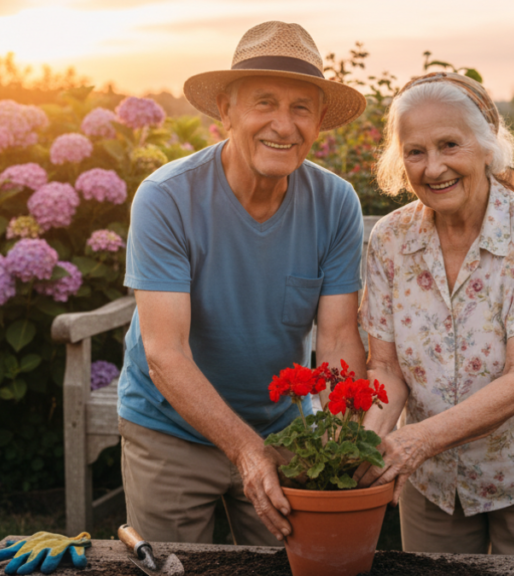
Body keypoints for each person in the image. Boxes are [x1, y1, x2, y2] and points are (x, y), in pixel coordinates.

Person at [117, 21, 369, 546]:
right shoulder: (166, 198)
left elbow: (340, 338)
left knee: (285, 563)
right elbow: (165, 354)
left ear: (320, 120)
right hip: (171, 430)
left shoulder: (336, 202)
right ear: (226, 111)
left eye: (302, 107)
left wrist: (343, 444)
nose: (284, 124)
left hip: (284, 430)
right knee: (174, 563)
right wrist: (245, 449)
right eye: (264, 103)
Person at [355, 72, 514, 556]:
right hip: (434, 484)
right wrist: (365, 450)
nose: (433, 167)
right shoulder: (390, 239)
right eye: (415, 152)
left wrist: (416, 442)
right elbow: (386, 368)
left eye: (449, 145)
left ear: (488, 146)